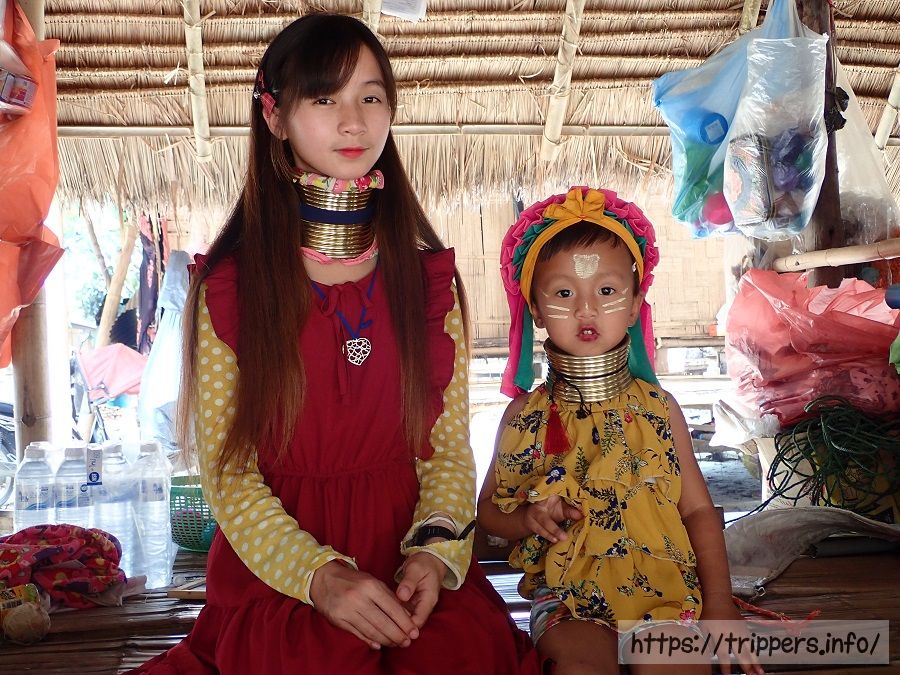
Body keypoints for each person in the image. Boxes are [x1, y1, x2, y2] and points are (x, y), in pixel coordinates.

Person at [130, 13, 538, 674]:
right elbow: (229, 475)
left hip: (407, 567)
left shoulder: (427, 284)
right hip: (282, 576)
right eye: (325, 99)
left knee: (460, 656)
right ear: (275, 115)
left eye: (370, 98)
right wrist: (318, 576)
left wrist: (434, 555)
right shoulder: (230, 289)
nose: (353, 122)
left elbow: (446, 452)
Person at [477, 187, 763, 675]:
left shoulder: (659, 410)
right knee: (578, 668)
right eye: (564, 293)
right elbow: (487, 512)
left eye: (606, 292)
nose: (586, 309)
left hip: (664, 590)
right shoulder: (524, 417)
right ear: (536, 310)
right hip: (565, 593)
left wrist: (719, 604)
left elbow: (697, 510)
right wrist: (526, 519)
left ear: (634, 306)